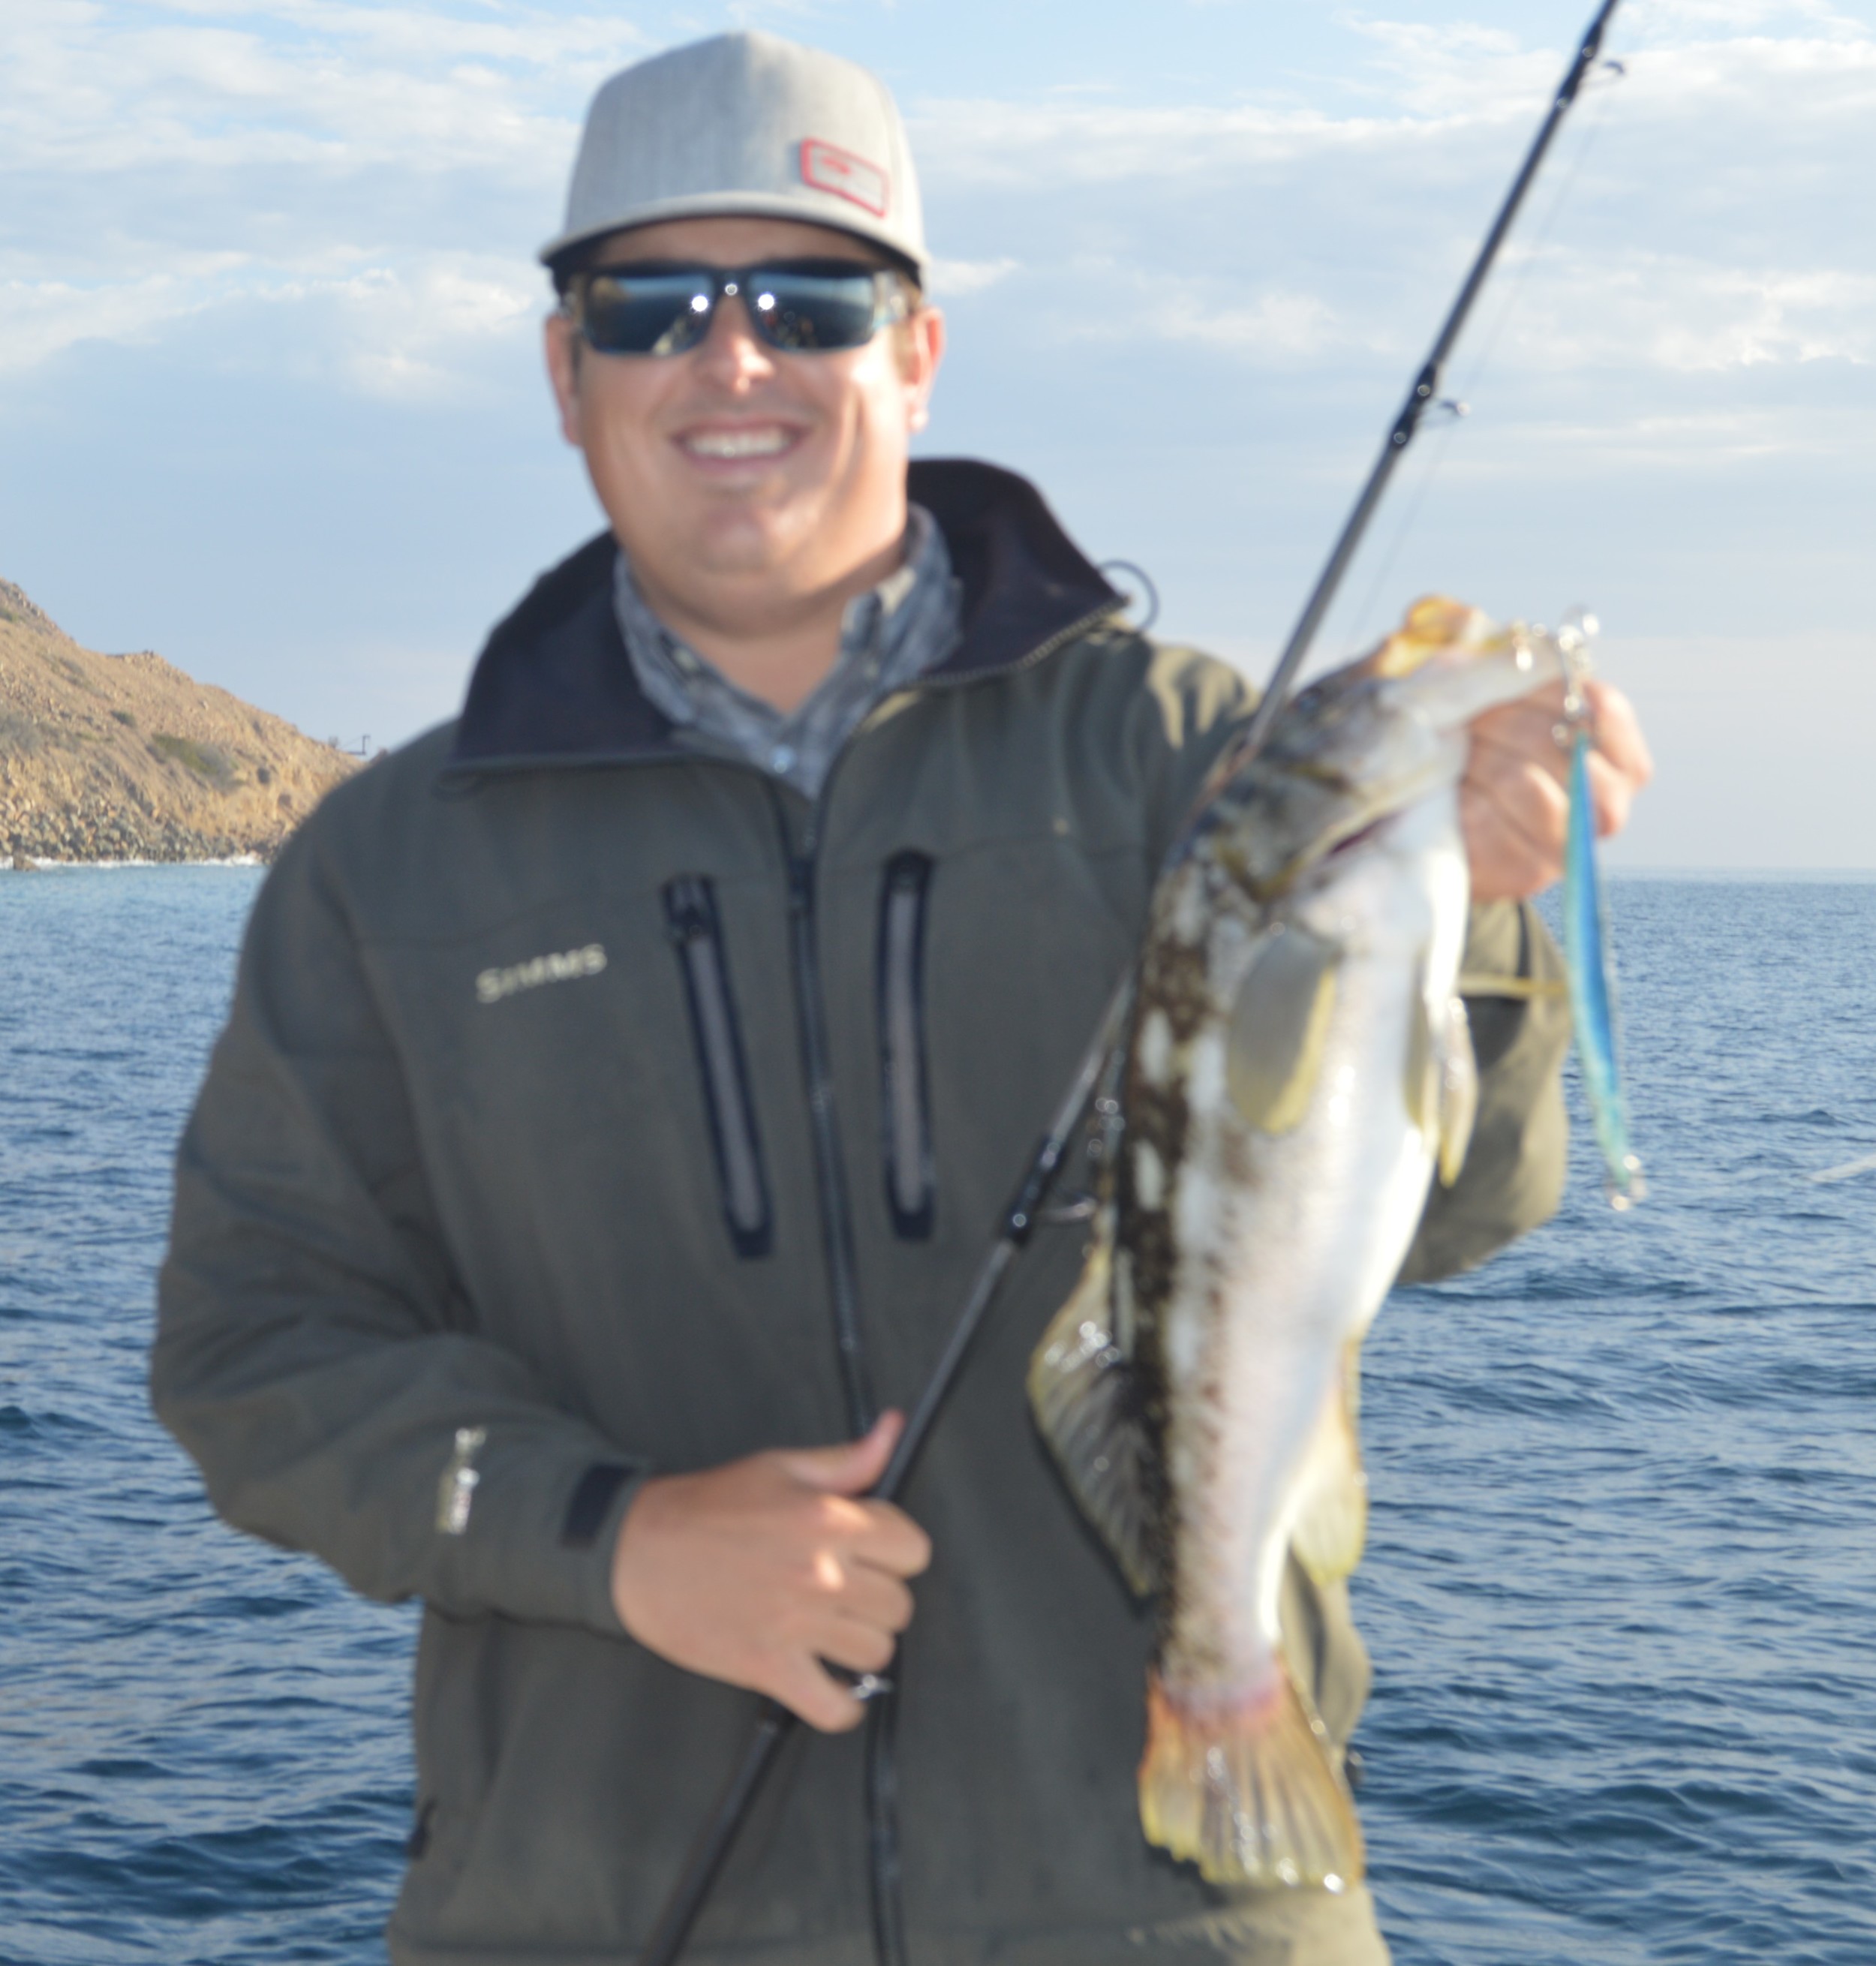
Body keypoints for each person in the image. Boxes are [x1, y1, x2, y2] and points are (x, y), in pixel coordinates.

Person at [152, 29, 1653, 1966]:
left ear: (916, 352)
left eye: (808, 299)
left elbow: (1454, 1203)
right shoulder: (384, 864)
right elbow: (256, 1355)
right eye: (650, 306)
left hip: (1175, 1913)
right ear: (563, 371)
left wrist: (1481, 907)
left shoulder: (1197, 757)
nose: (733, 358)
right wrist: (613, 1537)